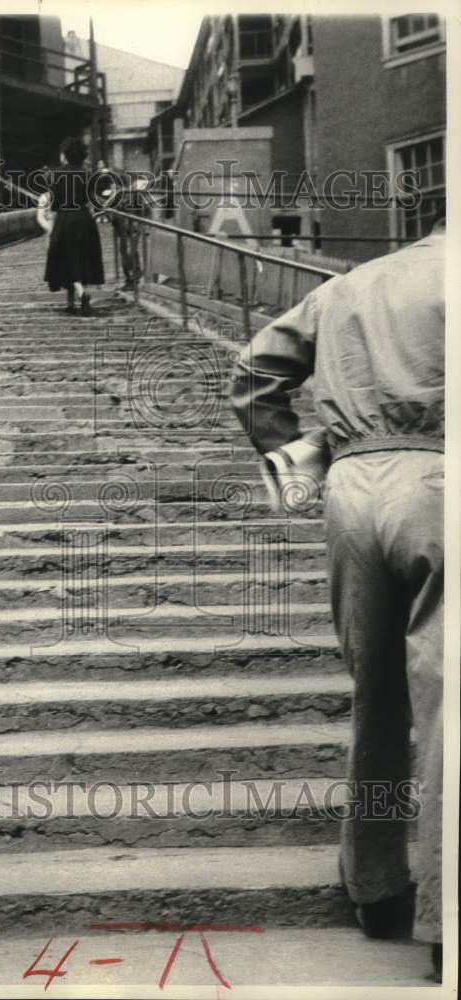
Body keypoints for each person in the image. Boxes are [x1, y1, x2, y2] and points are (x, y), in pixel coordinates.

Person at [230, 215, 445, 982]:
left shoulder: (351, 284)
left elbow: (255, 372)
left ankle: (378, 885)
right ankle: (448, 918)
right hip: (445, 478)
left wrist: (299, 462)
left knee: (379, 698)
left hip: (353, 487)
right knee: (449, 705)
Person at [37, 137, 104, 316]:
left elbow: (55, 204)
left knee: (65, 258)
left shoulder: (56, 174)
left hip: (65, 219)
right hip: (84, 219)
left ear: (65, 155)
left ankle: (81, 296)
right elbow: (92, 201)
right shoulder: (87, 174)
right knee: (80, 257)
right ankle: (70, 302)